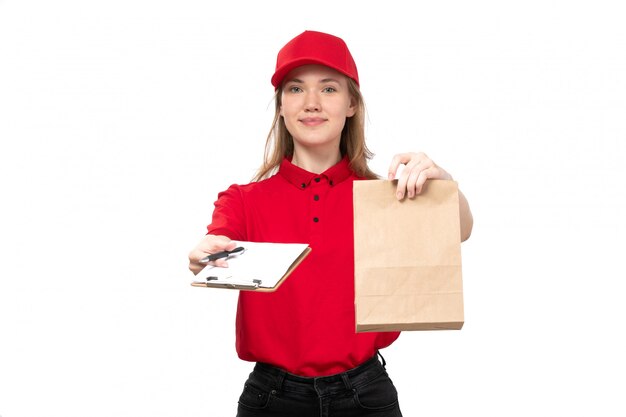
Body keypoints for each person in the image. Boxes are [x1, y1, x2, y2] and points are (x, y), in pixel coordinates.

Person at [188, 30, 473, 417]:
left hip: (365, 394)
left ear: (351, 103)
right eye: (294, 89)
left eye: (328, 89)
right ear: (281, 108)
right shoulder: (244, 200)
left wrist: (443, 186)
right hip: (272, 398)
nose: (310, 103)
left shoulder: (386, 198)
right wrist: (209, 252)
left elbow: (459, 230)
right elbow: (219, 239)